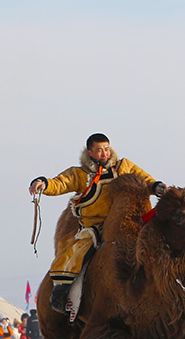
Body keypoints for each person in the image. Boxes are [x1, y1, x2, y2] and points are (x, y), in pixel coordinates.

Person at [29, 132, 167, 313]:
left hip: (125, 222)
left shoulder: (123, 166)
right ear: (90, 152)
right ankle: (62, 292)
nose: (105, 154)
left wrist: (156, 187)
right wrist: (43, 183)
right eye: (100, 150)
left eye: (107, 149)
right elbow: (60, 183)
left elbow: (144, 179)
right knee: (76, 253)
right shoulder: (80, 174)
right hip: (94, 227)